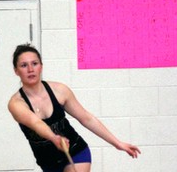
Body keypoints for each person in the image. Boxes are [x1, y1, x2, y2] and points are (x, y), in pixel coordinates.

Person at [8, 43, 141, 172]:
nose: (30, 69)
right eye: (24, 65)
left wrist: (117, 143)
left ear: (41, 67)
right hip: (48, 163)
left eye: (34, 63)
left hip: (76, 152)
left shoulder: (60, 90)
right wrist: (54, 138)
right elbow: (36, 123)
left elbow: (86, 118)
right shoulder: (16, 104)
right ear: (16, 71)